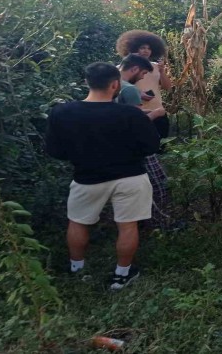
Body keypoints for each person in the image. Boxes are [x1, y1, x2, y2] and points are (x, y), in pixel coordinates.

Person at [45, 62, 160, 290]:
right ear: (115, 84)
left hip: (86, 177)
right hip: (130, 176)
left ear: (87, 82)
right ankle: (121, 275)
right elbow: (151, 146)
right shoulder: (130, 114)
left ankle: (77, 270)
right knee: (127, 226)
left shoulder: (62, 112)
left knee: (78, 222)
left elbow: (55, 151)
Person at [116, 54, 171, 229]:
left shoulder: (111, 85)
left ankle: (136, 219)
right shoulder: (129, 89)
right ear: (134, 69)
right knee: (158, 183)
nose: (142, 78)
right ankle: (157, 223)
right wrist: (156, 113)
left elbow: (124, 115)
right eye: (143, 73)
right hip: (136, 144)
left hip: (118, 145)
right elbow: (136, 122)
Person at [115, 30, 172, 139]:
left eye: (149, 48)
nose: (146, 51)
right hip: (136, 114)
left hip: (157, 112)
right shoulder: (121, 69)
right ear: (132, 49)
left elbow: (167, 87)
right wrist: (137, 93)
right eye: (142, 48)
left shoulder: (156, 67)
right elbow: (114, 89)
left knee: (161, 144)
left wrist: (162, 72)